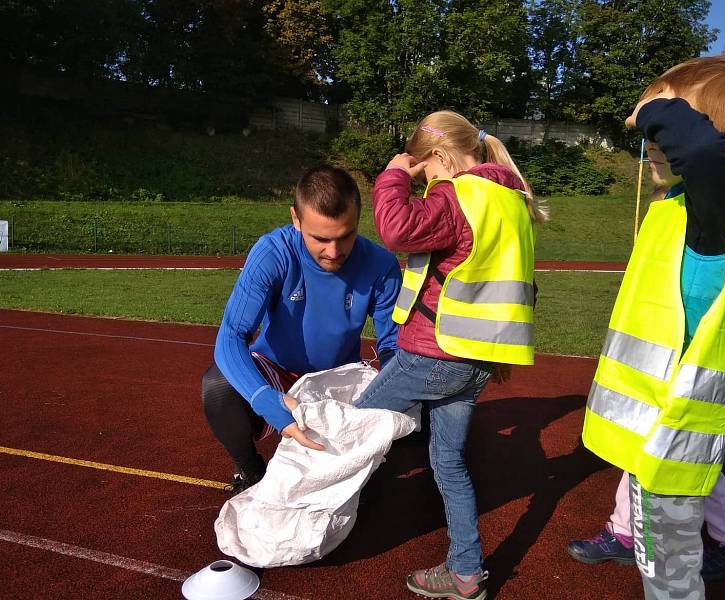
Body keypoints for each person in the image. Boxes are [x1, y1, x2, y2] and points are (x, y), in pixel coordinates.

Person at [580, 55, 725, 599]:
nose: (650, 137)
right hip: (668, 419)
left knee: (668, 573)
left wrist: (652, 106)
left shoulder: (721, 202)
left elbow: (696, 148)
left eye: (668, 122)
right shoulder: (709, 208)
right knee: (669, 559)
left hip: (673, 423)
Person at [353, 110, 547, 600]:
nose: (425, 181)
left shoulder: (458, 194)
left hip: (435, 352)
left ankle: (306, 518)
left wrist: (396, 173)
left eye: (427, 169)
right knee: (449, 463)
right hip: (475, 359)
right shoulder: (508, 200)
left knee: (351, 425)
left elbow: (396, 230)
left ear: (438, 156)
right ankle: (465, 574)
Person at [201, 165, 402, 494]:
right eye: (320, 239)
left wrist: (381, 400)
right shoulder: (274, 253)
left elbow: (393, 345)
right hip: (278, 372)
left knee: (419, 399)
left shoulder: (381, 264)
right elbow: (230, 336)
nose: (334, 252)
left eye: (345, 236)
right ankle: (250, 471)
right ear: (296, 219)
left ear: (358, 218)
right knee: (217, 387)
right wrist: (268, 401)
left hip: (339, 380)